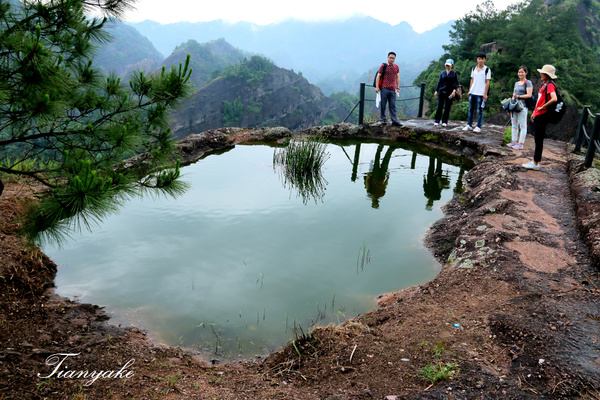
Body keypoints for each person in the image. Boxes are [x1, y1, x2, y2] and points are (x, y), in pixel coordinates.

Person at [522, 65, 558, 171]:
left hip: (543, 115)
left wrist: (543, 106)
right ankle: (535, 161)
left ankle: (535, 162)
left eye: (543, 73)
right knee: (537, 139)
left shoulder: (550, 85)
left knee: (539, 139)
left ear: (547, 75)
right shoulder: (544, 84)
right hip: (539, 114)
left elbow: (554, 98)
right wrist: (535, 112)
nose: (541, 74)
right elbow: (539, 100)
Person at [463, 52, 491, 133]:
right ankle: (469, 125)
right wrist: (469, 90)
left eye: (482, 59)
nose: (480, 60)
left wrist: (485, 94)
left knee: (480, 110)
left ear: (485, 60)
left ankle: (478, 126)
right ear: (477, 59)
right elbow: (472, 80)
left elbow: (487, 82)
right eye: (479, 58)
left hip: (481, 93)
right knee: (471, 109)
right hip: (473, 92)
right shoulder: (473, 68)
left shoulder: (487, 70)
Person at [507, 66, 534, 150]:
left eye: (522, 72)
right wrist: (510, 107)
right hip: (515, 107)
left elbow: (529, 95)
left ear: (526, 73)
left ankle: (521, 143)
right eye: (519, 72)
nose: (520, 74)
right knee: (514, 125)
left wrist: (518, 96)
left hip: (522, 107)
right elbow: (513, 95)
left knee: (522, 126)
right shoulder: (516, 83)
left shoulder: (528, 82)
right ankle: (514, 141)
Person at [375, 52, 401, 126]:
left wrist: (398, 87)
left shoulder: (396, 67)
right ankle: (383, 119)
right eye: (390, 57)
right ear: (387, 57)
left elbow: (398, 77)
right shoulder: (383, 66)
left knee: (393, 105)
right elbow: (378, 76)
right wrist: (377, 87)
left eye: (393, 58)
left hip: (393, 89)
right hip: (384, 88)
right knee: (383, 105)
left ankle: (394, 120)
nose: (391, 59)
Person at [433, 59, 459, 127]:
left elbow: (456, 83)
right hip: (442, 91)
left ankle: (445, 121)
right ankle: (437, 120)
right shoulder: (442, 73)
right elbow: (439, 82)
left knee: (447, 107)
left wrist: (454, 91)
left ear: (452, 65)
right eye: (446, 65)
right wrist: (436, 90)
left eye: (449, 65)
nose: (447, 66)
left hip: (449, 92)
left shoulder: (454, 73)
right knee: (439, 106)